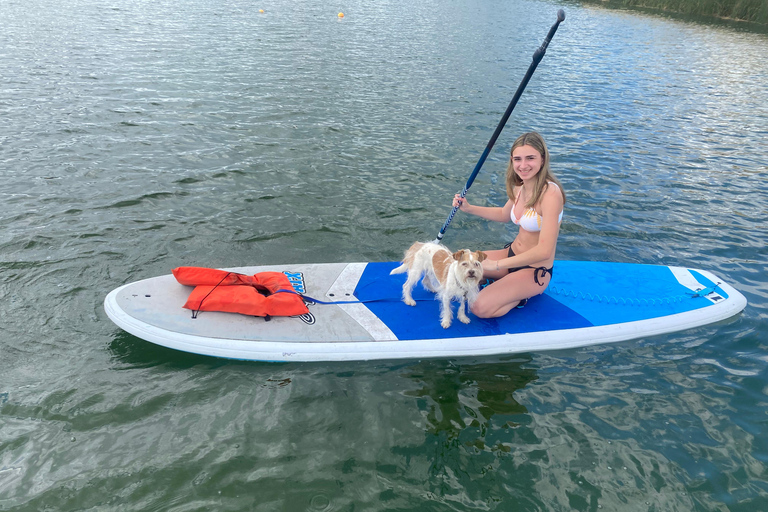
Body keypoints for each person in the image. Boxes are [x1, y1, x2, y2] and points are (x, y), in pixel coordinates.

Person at [452, 132, 565, 318]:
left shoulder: (550, 194)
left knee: (478, 307)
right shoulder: (521, 186)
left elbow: (545, 250)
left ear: (542, 159)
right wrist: (469, 208)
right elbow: (505, 214)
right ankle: (504, 281)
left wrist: (497, 265)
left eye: (530, 158)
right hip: (512, 254)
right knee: (458, 273)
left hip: (535, 270)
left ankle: (521, 297)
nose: (523, 165)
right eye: (517, 159)